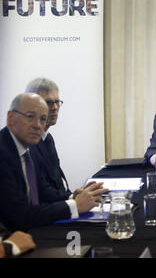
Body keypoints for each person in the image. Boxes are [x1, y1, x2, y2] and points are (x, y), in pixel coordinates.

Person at [0, 93, 108, 231]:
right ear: (10, 118)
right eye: (30, 116)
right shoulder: (3, 154)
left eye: (43, 119)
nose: (38, 125)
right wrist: (75, 205)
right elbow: (19, 217)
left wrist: (73, 196)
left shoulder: (29, 149)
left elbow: (43, 191)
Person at [25, 78, 70, 195]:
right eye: (49, 102)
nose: (55, 107)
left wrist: (74, 195)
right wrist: (73, 200)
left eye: (57, 102)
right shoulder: (27, 143)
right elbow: (41, 191)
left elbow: (57, 180)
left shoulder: (48, 138)